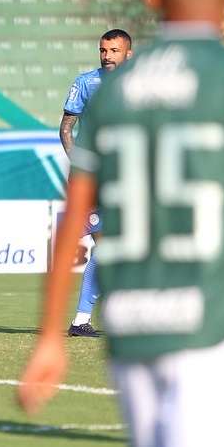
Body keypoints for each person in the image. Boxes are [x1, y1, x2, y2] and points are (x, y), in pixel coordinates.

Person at [18, 0, 224, 445]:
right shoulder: (222, 77)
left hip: (134, 325)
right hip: (207, 317)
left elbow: (72, 215)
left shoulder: (113, 92)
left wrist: (51, 335)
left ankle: (81, 317)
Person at [60, 28, 133, 337]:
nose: (107, 56)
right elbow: (66, 128)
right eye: (104, 50)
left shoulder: (141, 85)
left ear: (128, 54)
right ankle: (81, 320)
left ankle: (92, 318)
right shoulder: (86, 83)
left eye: (114, 51)